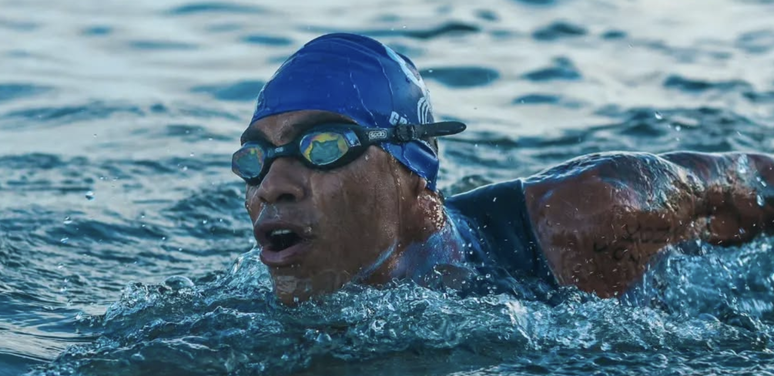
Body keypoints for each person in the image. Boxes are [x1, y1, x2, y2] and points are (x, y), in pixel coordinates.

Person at [231, 32, 774, 305]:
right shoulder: (253, 313)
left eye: (324, 145)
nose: (272, 187)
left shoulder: (585, 215)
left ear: (414, 177)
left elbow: (748, 180)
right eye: (255, 158)